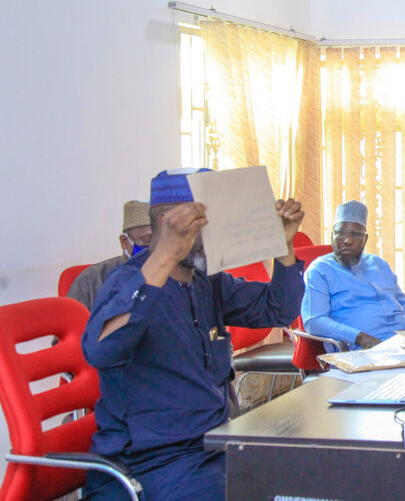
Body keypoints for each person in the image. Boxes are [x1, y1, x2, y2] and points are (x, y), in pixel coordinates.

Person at [81, 168, 306, 500]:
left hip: (214, 444)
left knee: (306, 476)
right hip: (153, 461)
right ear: (168, 226)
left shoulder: (207, 282)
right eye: (204, 225)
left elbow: (279, 310)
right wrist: (166, 254)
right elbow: (100, 352)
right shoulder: (126, 283)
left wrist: (283, 245)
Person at [302, 200, 405, 351]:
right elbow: (314, 321)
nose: (347, 240)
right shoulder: (319, 271)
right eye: (341, 233)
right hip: (363, 349)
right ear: (332, 236)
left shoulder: (379, 264)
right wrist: (359, 337)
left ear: (365, 239)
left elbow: (403, 302)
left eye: (355, 234)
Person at [67, 200, 152, 310]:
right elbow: (76, 324)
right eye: (148, 240)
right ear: (125, 242)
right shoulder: (91, 281)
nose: (156, 249)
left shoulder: (174, 277)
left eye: (162, 242)